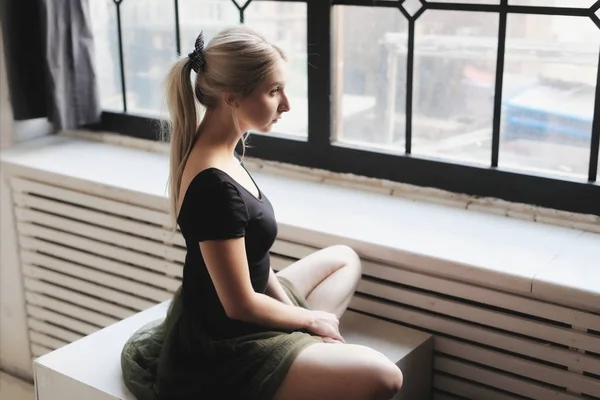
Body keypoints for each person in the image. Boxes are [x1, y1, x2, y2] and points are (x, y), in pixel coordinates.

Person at [120, 26, 403, 400]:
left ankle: (305, 351)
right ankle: (303, 356)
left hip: (249, 296)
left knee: (343, 259)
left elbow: (256, 257)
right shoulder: (214, 186)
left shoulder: (224, 152)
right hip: (225, 339)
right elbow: (239, 305)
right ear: (231, 97)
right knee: (386, 377)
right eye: (273, 92)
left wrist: (296, 323)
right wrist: (309, 319)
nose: (286, 104)